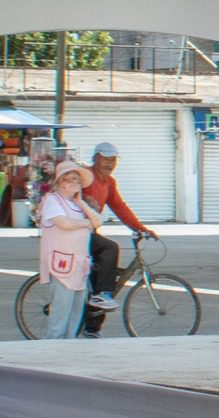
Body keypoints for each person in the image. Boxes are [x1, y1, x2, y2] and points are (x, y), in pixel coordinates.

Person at [80, 142, 155, 320]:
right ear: (96, 158)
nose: (110, 164)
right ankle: (101, 295)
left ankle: (93, 327)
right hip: (77, 231)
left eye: (113, 160)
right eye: (106, 159)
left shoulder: (109, 183)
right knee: (110, 248)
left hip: (90, 231)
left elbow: (119, 207)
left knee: (102, 276)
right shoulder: (85, 176)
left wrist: (141, 228)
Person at [38, 161, 100, 340]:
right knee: (60, 314)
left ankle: (68, 348)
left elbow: (99, 221)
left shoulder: (77, 204)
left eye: (76, 179)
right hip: (63, 265)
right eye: (68, 179)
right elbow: (63, 223)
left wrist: (81, 203)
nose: (73, 182)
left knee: (75, 314)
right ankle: (53, 351)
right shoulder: (52, 200)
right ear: (59, 182)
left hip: (80, 265)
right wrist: (86, 223)